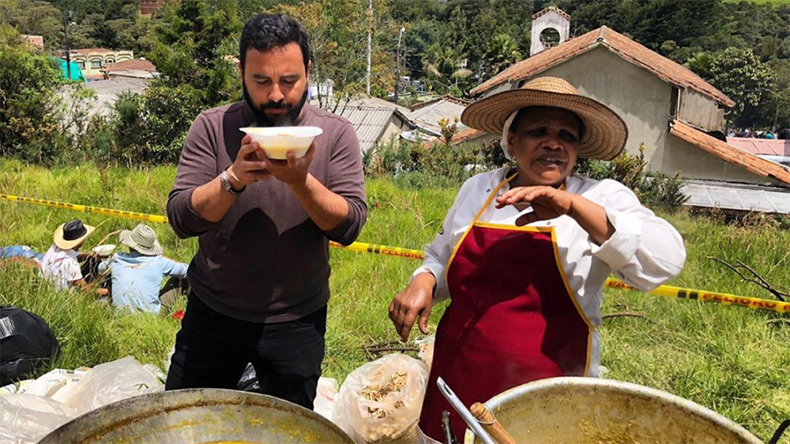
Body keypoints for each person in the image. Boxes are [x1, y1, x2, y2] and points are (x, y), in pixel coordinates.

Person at [388, 77, 686, 440]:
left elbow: (666, 260)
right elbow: (441, 257)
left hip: (549, 394)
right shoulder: (479, 189)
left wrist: (574, 209)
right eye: (538, 130)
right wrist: (424, 280)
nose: (553, 142)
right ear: (511, 142)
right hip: (458, 379)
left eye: (567, 135)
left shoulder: (602, 198)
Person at [165, 13, 367, 409]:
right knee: (186, 419)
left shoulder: (336, 134)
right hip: (213, 312)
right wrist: (233, 178)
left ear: (308, 71)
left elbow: (349, 226)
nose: (276, 95)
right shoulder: (212, 127)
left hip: (298, 321)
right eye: (261, 81)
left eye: (289, 80)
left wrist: (300, 181)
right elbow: (181, 218)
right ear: (241, 72)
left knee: (287, 429)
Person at [98, 224, 188, 315]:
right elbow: (187, 270)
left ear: (130, 245)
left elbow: (101, 269)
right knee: (180, 278)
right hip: (151, 315)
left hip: (120, 313)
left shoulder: (116, 258)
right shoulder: (159, 262)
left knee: (110, 274)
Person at [39, 219, 95, 291]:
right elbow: (85, 289)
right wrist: (106, 291)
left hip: (47, 286)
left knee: (93, 261)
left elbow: (73, 256)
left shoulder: (55, 247)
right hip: (61, 293)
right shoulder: (70, 263)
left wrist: (88, 256)